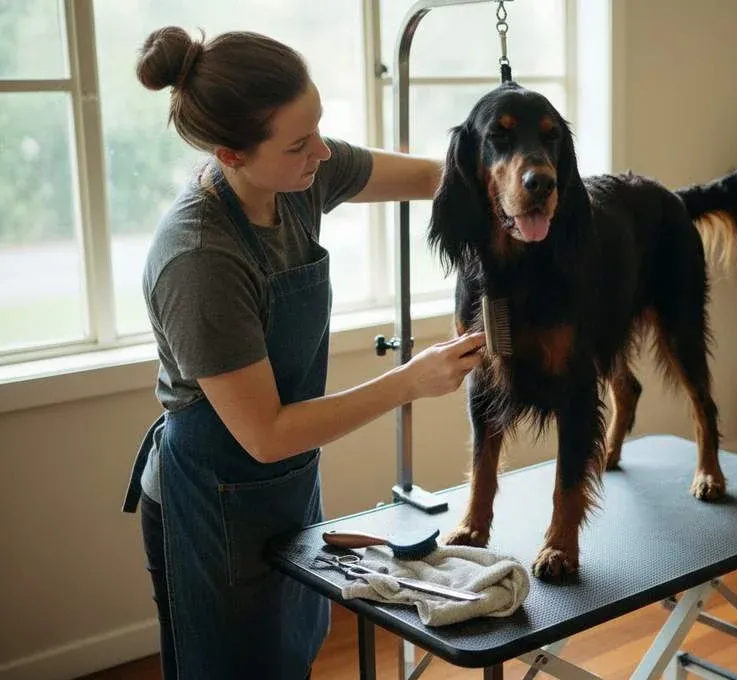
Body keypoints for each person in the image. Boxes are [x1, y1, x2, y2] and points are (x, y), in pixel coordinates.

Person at [119, 26, 485, 679]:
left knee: (292, 655)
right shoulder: (200, 256)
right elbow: (266, 433)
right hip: (210, 499)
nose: (322, 150)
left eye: (318, 125)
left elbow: (435, 178)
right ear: (231, 154)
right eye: (298, 143)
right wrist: (410, 381)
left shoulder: (300, 176)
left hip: (285, 486)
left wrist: (516, 191)